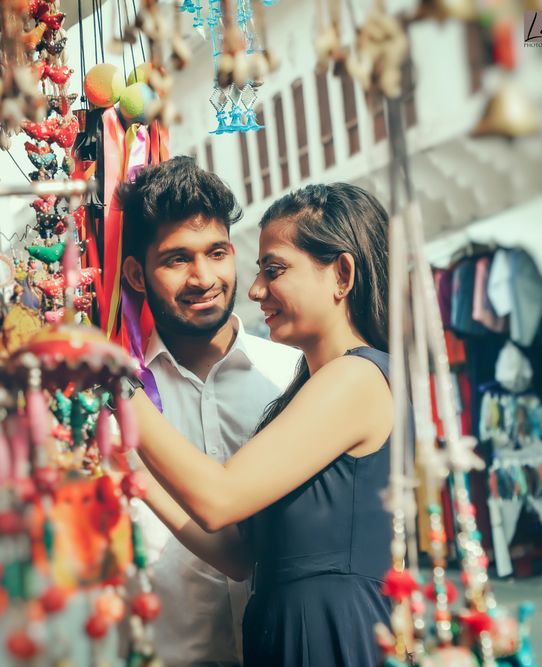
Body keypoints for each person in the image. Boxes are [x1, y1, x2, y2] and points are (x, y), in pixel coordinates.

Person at [126, 183, 400, 667]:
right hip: (288, 635)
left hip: (332, 636)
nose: (255, 291)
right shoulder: (309, 386)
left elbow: (220, 498)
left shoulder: (356, 377)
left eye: (274, 271)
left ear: (342, 273)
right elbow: (237, 556)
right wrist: (136, 476)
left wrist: (116, 388)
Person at [116, 156, 301, 667]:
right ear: (136, 273)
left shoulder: (293, 377)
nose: (204, 277)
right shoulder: (116, 405)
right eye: (177, 259)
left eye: (216, 252)